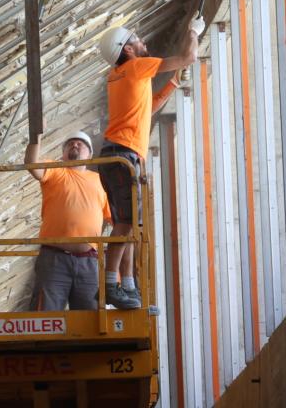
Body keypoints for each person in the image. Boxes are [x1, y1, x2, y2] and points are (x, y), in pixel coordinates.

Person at [97, 17, 204, 309]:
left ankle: (128, 287)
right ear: (128, 50)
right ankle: (110, 285)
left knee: (127, 223)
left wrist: (171, 83)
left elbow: (147, 109)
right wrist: (193, 30)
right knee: (126, 224)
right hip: (125, 154)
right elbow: (187, 56)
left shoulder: (119, 75)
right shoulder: (136, 67)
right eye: (138, 39)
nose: (144, 42)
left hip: (114, 154)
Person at [25, 130, 111, 311]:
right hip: (54, 258)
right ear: (63, 154)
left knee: (91, 322)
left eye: (81, 144)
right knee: (45, 318)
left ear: (90, 154)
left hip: (89, 262)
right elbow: (32, 164)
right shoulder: (55, 170)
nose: (75, 145)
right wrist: (37, 135)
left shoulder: (101, 181)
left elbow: (116, 220)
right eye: (70, 143)